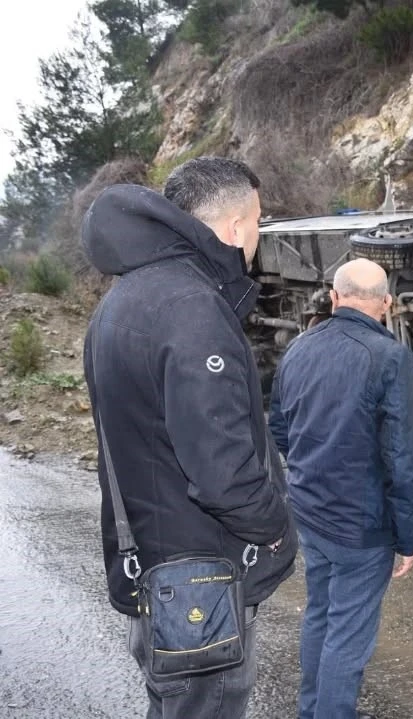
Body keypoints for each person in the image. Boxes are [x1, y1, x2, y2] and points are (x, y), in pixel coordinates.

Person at [82, 156, 298, 718]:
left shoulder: (121, 303)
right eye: (257, 221)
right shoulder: (192, 308)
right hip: (200, 582)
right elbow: (222, 472)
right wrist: (276, 530)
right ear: (232, 228)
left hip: (155, 572)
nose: (257, 236)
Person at [269, 258, 413, 719]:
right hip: (360, 526)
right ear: (387, 305)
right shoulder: (392, 358)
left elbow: (279, 425)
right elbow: (402, 458)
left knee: (320, 612)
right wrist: (408, 537)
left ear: (335, 298)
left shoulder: (299, 347)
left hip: (309, 512)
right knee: (348, 637)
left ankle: (312, 709)